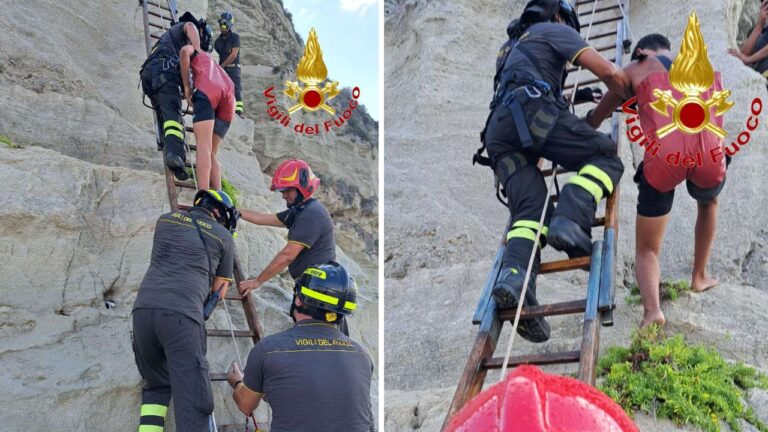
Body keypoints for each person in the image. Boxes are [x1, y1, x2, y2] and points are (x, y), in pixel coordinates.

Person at [480, 0, 631, 343]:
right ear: (561, 16)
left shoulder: (511, 49)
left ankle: (514, 278)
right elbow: (609, 72)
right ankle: (571, 217)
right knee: (605, 157)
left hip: (499, 133)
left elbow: (534, 89)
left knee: (530, 208)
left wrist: (581, 109)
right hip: (533, 112)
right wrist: (630, 88)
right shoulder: (556, 30)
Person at [587, 34, 728, 328]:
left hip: (665, 157)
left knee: (647, 250)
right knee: (708, 203)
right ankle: (699, 276)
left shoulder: (638, 67)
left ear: (640, 51)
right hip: (708, 152)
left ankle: (652, 311)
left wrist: (591, 119)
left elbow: (603, 111)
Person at [132, 190, 239, 432]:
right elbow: (219, 288)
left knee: (157, 385)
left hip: (143, 312)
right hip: (182, 317)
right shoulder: (223, 236)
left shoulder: (165, 220)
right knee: (193, 401)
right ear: (220, 214)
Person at [226, 261, 375, 432]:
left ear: (299, 299)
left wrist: (237, 382)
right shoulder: (361, 355)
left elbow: (246, 405)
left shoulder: (269, 349)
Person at [140, 12, 213, 181]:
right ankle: (175, 157)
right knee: (173, 118)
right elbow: (192, 39)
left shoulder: (170, 38)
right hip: (164, 73)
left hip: (150, 75)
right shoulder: (190, 26)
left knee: (164, 115)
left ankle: (166, 145)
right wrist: (198, 51)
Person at [179, 41, 235, 191]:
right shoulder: (212, 61)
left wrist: (187, 88)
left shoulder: (195, 50)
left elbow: (184, 51)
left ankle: (203, 193)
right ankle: (218, 195)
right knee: (211, 153)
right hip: (229, 94)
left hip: (208, 88)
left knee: (203, 144)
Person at [214, 11, 244, 116]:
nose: (223, 26)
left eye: (226, 23)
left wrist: (221, 66)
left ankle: (237, 113)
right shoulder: (217, 42)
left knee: (236, 89)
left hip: (233, 69)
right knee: (223, 91)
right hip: (223, 70)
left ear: (230, 25)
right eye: (222, 23)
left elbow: (234, 54)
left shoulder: (235, 37)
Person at [729, 0, 768, 79]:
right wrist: (759, 26)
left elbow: (746, 58)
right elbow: (743, 54)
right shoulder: (760, 30)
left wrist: (749, 59)